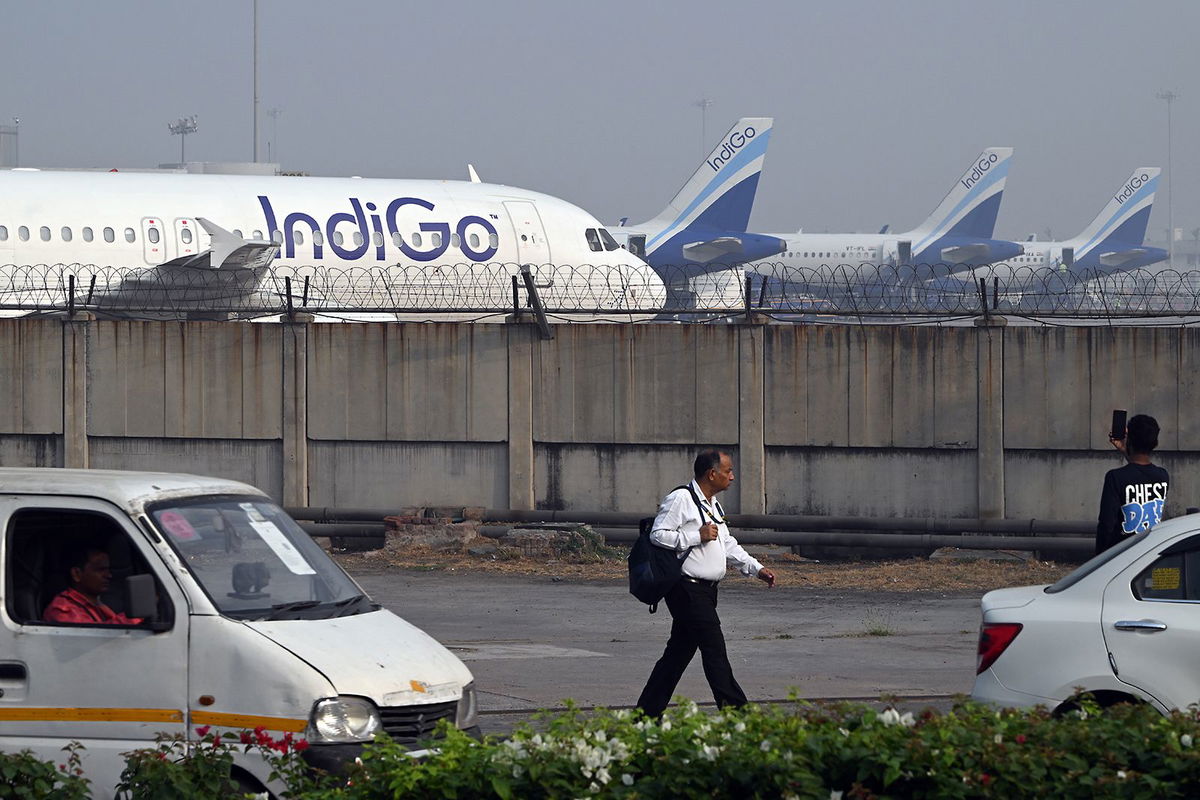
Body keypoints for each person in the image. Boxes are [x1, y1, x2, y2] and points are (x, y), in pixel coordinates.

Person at [636, 449, 776, 718]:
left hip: (706, 591)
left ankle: (646, 715)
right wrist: (694, 535)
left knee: (676, 656)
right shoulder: (681, 499)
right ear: (712, 474)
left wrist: (756, 569)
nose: (732, 477)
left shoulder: (713, 505)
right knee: (715, 651)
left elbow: (726, 544)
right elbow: (658, 536)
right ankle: (739, 717)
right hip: (685, 589)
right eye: (728, 471)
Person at [1096, 414, 1169, 555]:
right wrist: (1126, 450)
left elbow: (1106, 525)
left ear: (1129, 439)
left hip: (1121, 556)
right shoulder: (1162, 476)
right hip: (1149, 553)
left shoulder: (1115, 477)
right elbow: (1140, 473)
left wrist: (1098, 559)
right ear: (1155, 442)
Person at [43, 543, 143, 625]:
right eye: (100, 570)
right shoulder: (62, 609)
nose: (109, 575)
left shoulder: (95, 604)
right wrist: (140, 612)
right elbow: (99, 637)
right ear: (76, 574)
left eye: (108, 570)